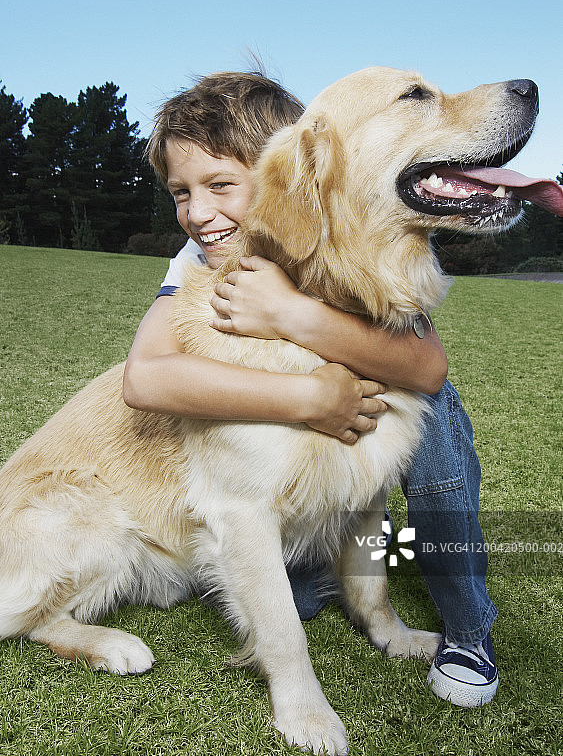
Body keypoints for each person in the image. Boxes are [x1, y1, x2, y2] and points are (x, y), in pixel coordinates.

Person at [123, 70, 498, 708]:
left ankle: (467, 626)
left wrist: (292, 315)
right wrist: (311, 400)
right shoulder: (199, 259)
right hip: (291, 450)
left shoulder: (358, 233)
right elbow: (145, 374)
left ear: (296, 175)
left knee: (431, 418)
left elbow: (427, 366)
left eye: (221, 185)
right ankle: (336, 569)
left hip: (387, 409)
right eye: (181, 193)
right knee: (295, 596)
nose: (198, 213)